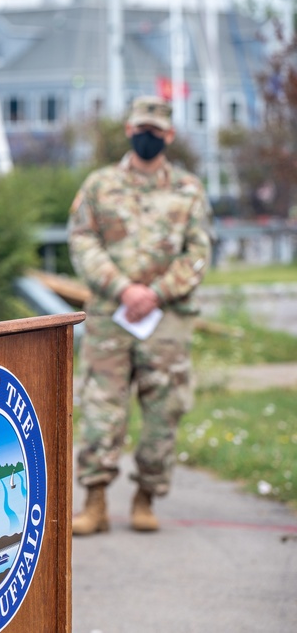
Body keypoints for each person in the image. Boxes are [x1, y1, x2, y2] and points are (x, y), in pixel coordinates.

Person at [67, 95, 213, 535]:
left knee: (163, 410)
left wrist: (155, 292)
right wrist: (123, 288)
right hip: (111, 315)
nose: (147, 137)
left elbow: (199, 251)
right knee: (100, 408)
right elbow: (82, 240)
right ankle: (94, 501)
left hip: (165, 319)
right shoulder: (100, 185)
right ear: (129, 132)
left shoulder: (189, 190)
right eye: (140, 130)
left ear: (168, 136)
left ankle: (146, 496)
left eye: (156, 131)